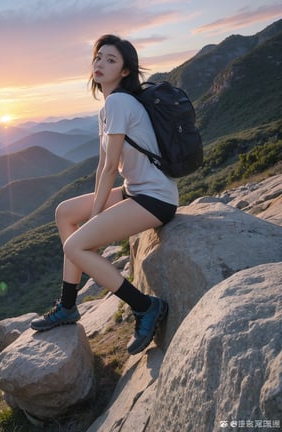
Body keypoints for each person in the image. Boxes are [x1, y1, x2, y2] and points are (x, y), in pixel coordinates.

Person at [31, 34, 179, 355]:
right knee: (64, 213)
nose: (100, 64)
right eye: (99, 57)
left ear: (125, 71)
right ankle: (69, 306)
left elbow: (112, 165)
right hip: (134, 190)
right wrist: (94, 212)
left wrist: (97, 217)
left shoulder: (119, 102)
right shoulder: (109, 106)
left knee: (76, 244)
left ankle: (145, 306)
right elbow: (103, 166)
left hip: (155, 198)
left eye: (111, 60)